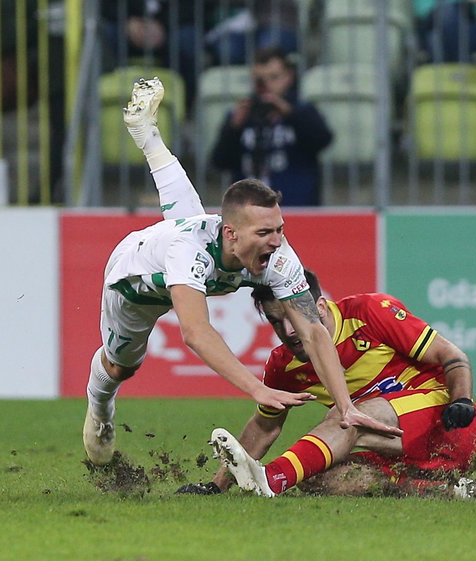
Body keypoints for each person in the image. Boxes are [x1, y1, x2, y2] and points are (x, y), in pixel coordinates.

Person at [82, 78, 400, 466]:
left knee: (190, 220)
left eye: (279, 229)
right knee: (120, 367)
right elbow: (196, 332)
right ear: (232, 233)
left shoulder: (274, 254)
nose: (276, 240)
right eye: (265, 232)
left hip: (200, 250)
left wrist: (345, 406)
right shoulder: (188, 253)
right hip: (137, 284)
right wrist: (256, 389)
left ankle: (148, 135)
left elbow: (314, 331)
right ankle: (100, 409)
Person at [177, 270, 476, 498]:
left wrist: (462, 401)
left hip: (448, 426)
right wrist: (216, 486)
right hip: (398, 453)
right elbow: (265, 427)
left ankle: (270, 479)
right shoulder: (284, 365)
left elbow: (451, 354)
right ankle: (443, 491)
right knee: (315, 480)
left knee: (344, 416)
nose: (289, 330)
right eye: (275, 321)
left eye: (293, 316)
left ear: (320, 308)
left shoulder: (369, 312)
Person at [210, 46, 333, 206]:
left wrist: (290, 114)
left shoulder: (302, 111)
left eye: (274, 78)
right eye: (259, 80)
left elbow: (323, 140)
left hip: (296, 208)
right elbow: (219, 161)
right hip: (250, 213)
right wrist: (234, 128)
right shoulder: (242, 115)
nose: (266, 86)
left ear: (288, 77)